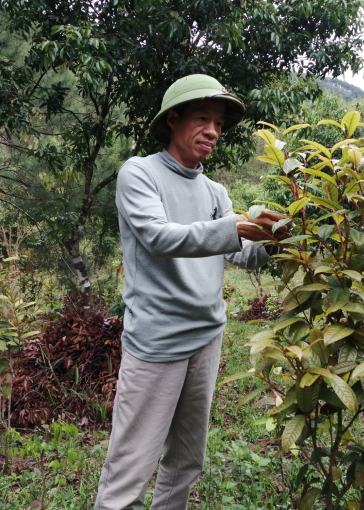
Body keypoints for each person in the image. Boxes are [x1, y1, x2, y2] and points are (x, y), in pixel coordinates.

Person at [95, 74, 288, 510]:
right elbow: (159, 237)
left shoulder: (215, 191)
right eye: (203, 118)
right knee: (131, 465)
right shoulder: (139, 173)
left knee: (186, 461)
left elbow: (238, 254)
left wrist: (282, 242)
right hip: (157, 342)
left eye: (219, 123)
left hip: (206, 340)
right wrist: (236, 226)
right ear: (173, 119)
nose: (213, 131)